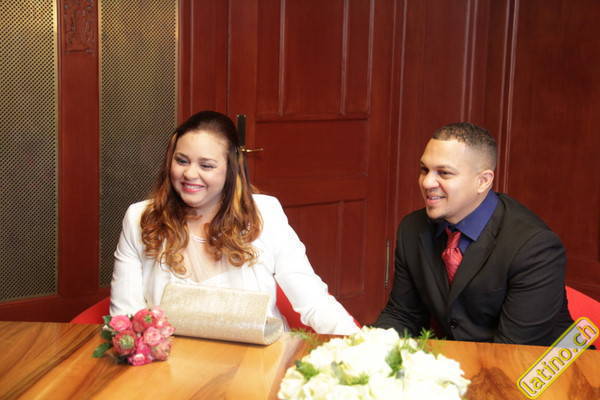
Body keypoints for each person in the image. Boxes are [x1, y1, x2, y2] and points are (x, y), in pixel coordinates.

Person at [110, 110, 359, 335]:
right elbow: (125, 316)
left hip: (258, 360)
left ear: (231, 169)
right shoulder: (140, 219)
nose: (189, 174)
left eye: (206, 165)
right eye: (182, 161)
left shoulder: (265, 214)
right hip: (171, 361)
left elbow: (313, 301)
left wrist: (359, 346)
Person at [375, 122, 573, 345]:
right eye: (424, 170)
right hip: (462, 358)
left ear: (483, 181)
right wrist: (368, 352)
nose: (427, 182)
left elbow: (513, 349)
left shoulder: (534, 246)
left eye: (444, 173)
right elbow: (403, 314)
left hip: (537, 362)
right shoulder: (412, 228)